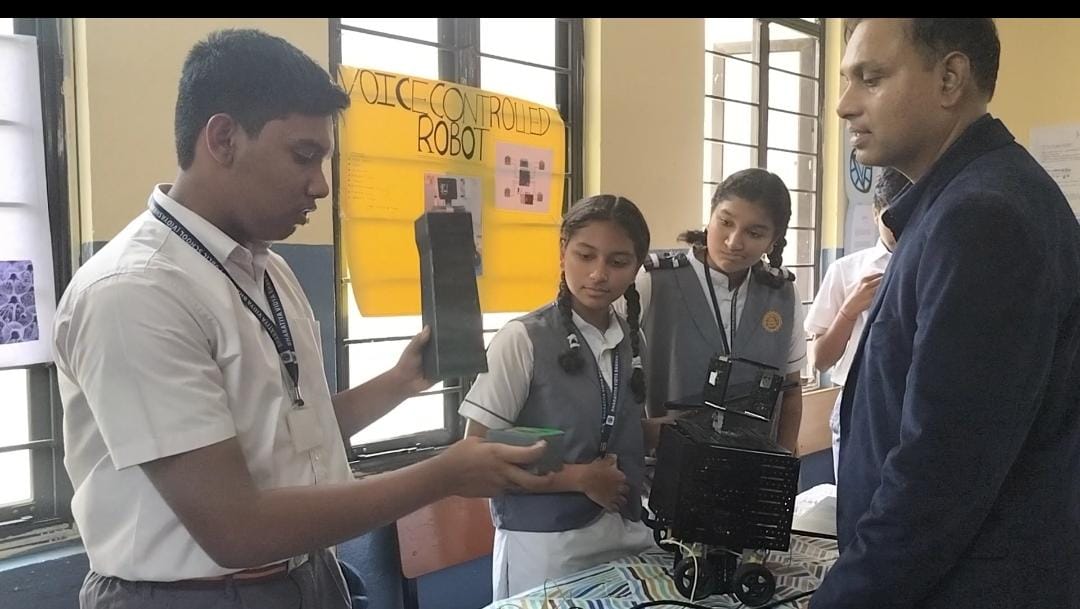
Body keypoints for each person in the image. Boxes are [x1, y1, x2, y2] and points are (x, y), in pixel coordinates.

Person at [54, 29, 551, 609]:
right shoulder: (136, 292)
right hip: (189, 595)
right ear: (223, 138)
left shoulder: (267, 269)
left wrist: (400, 382)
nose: (320, 185)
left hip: (307, 575)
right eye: (303, 156)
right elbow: (235, 527)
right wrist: (444, 475)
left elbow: (291, 438)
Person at [812, 18, 1080, 609]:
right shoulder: (958, 202)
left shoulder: (982, 217)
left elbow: (940, 472)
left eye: (870, 78)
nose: (844, 105)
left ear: (950, 78)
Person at [459, 195, 657, 599]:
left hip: (626, 534)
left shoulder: (631, 338)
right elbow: (476, 453)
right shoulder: (522, 339)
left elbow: (612, 427)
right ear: (562, 251)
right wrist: (579, 478)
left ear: (637, 266)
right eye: (585, 255)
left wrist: (668, 433)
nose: (598, 274)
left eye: (618, 262)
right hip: (545, 545)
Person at [633, 168, 804, 452]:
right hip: (665, 466)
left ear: (773, 241)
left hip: (752, 467)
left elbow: (791, 394)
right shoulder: (653, 280)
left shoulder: (782, 293)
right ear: (710, 216)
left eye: (754, 233)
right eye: (725, 222)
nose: (734, 242)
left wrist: (783, 462)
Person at [804, 167, 907, 480]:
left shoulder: (936, 266)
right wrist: (849, 310)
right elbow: (820, 360)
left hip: (915, 406)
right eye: (891, 217)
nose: (901, 227)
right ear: (876, 213)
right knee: (855, 497)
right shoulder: (846, 271)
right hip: (858, 402)